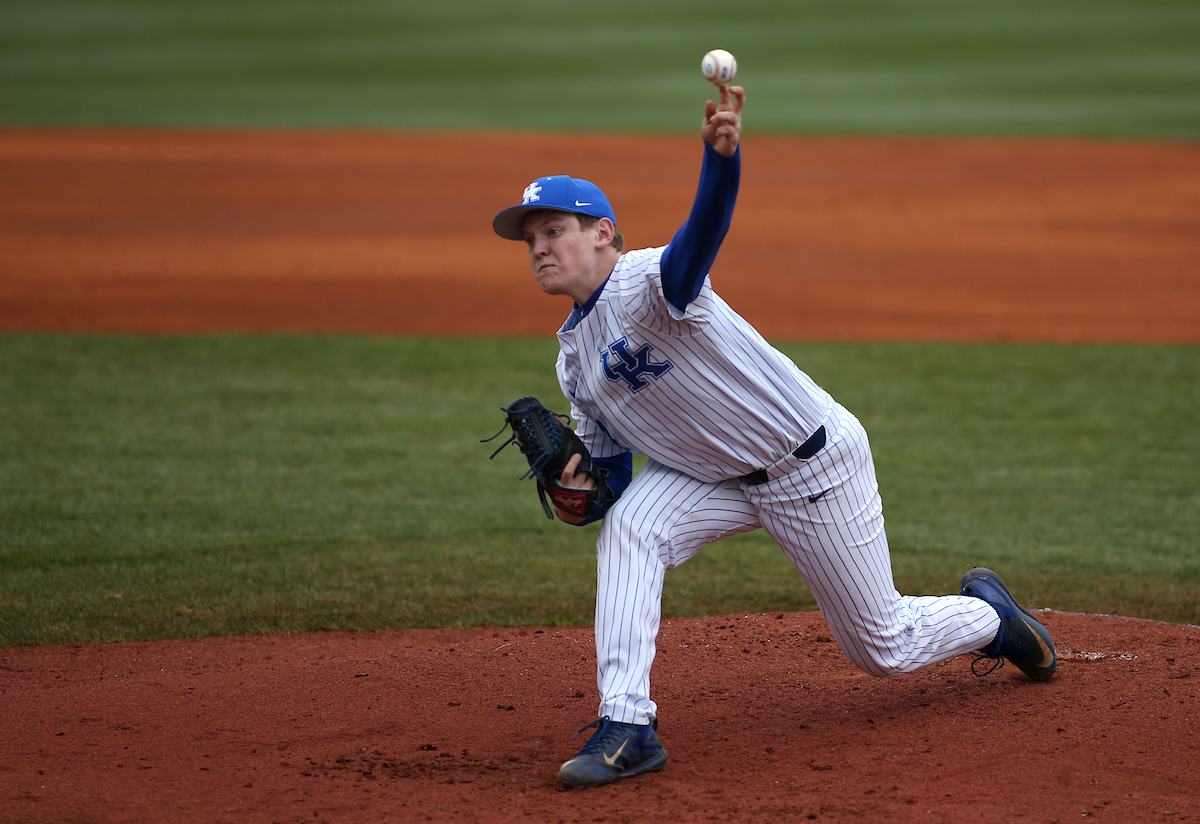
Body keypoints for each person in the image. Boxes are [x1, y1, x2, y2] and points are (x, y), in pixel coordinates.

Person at [490, 83, 1057, 789]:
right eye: (531, 239)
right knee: (632, 527)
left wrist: (720, 159)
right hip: (717, 480)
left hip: (811, 467)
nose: (539, 248)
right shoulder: (573, 360)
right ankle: (627, 725)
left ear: (603, 231)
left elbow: (703, 235)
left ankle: (990, 619)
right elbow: (612, 488)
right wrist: (580, 490)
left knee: (881, 645)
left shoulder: (650, 283)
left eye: (555, 232)